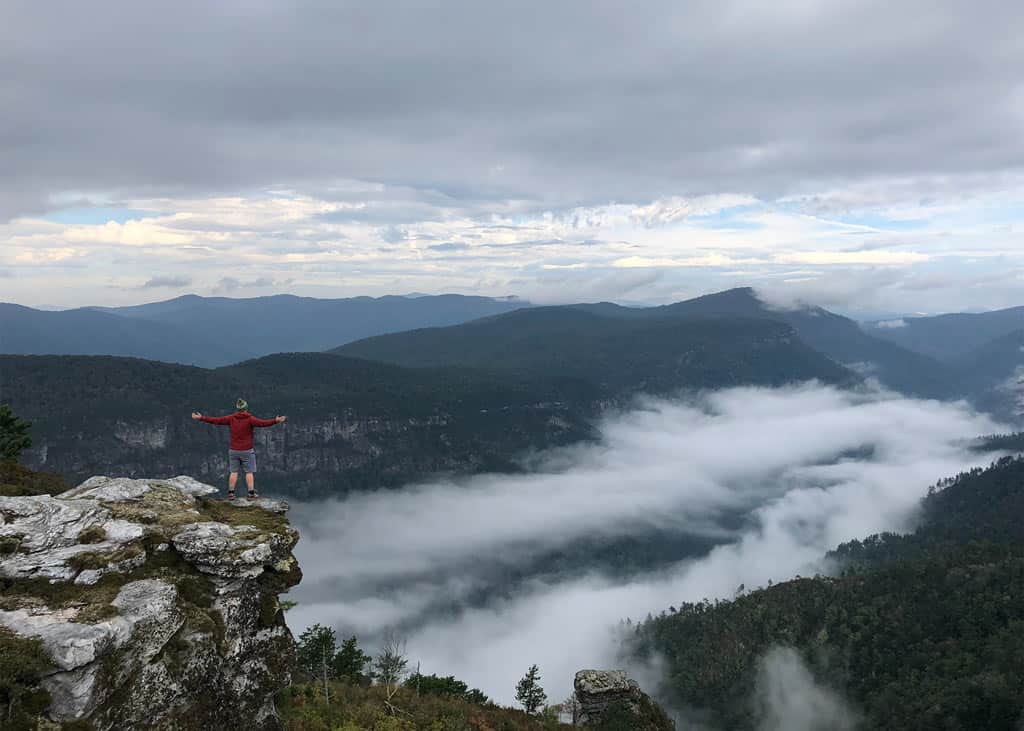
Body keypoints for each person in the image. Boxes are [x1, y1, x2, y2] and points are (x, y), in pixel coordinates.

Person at [191, 399, 286, 500]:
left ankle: (231, 493)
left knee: (234, 471)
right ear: (246, 408)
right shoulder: (250, 419)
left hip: (233, 450)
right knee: (249, 472)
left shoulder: (231, 418)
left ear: (237, 409)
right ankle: (251, 493)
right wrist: (275, 421)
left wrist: (201, 417)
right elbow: (263, 423)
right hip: (247, 450)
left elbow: (216, 420)